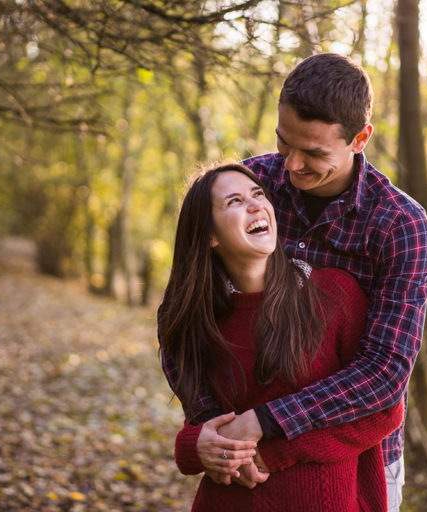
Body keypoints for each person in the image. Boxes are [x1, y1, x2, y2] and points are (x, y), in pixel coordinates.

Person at [161, 53, 427, 511]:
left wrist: (266, 425)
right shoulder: (253, 187)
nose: (291, 165)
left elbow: (385, 374)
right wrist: (215, 430)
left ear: (360, 139)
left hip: (357, 461)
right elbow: (185, 319)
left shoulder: (398, 224)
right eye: (285, 143)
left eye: (314, 153)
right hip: (244, 465)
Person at [158, 162, 403, 511]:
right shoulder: (203, 322)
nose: (256, 205)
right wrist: (195, 446)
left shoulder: (334, 296)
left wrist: (268, 450)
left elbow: (383, 412)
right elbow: (205, 420)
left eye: (258, 194)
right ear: (210, 235)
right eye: (235, 201)